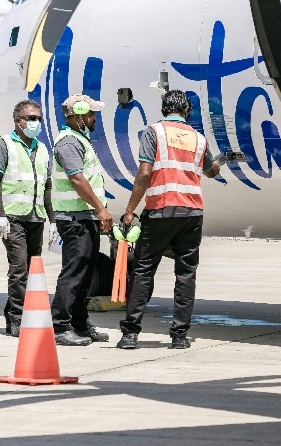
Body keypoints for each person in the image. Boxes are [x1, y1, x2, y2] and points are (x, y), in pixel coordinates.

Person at [115, 90, 223, 350]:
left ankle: (130, 333)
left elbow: (144, 174)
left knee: (143, 270)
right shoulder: (199, 138)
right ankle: (179, 336)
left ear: (164, 109)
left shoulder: (154, 132)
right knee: (186, 273)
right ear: (187, 110)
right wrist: (219, 162)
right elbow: (211, 171)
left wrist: (130, 210)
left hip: (161, 209)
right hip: (192, 213)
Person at [49, 94, 114, 347]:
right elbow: (77, 179)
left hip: (84, 217)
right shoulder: (68, 143)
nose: (93, 118)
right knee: (74, 273)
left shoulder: (80, 140)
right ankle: (60, 325)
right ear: (77, 115)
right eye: (90, 114)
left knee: (86, 274)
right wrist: (101, 208)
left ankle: (79, 322)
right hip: (74, 218)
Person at [0, 99, 52, 337]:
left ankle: (16, 312)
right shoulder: (3, 145)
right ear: (18, 121)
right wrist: (0, 215)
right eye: (32, 118)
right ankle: (16, 318)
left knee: (32, 269)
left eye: (39, 119)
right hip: (13, 217)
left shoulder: (42, 148)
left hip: (36, 217)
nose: (37, 123)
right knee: (19, 267)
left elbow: (47, 186)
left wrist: (53, 219)